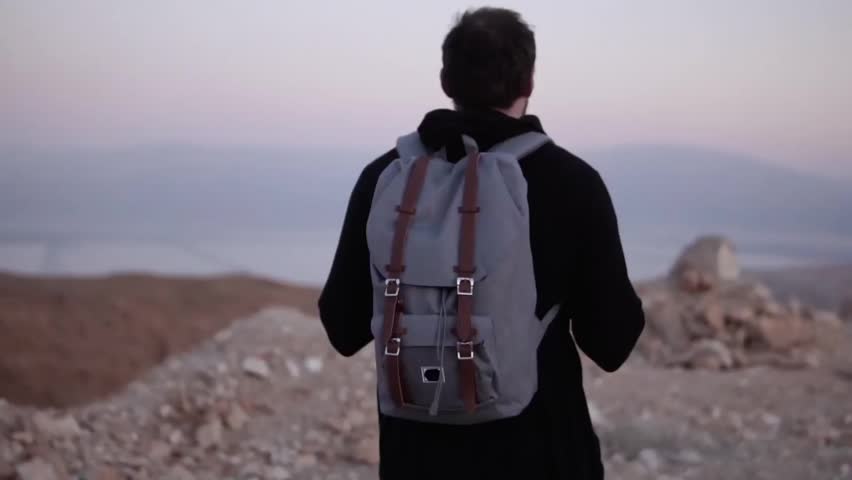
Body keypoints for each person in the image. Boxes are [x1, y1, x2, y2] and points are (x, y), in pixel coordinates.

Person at [318, 7, 645, 480]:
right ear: (528, 81)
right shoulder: (572, 182)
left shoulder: (387, 178)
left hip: (416, 458)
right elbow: (612, 343)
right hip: (541, 456)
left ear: (446, 81)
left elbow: (343, 327)